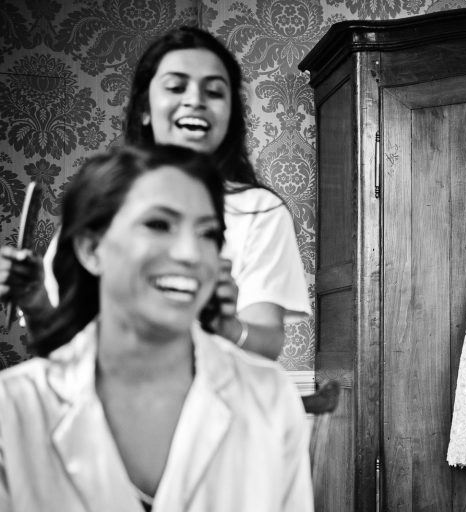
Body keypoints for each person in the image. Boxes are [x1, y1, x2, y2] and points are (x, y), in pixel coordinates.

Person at [0, 145, 313, 511]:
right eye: (158, 224)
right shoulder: (12, 409)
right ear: (91, 249)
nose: (190, 254)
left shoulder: (271, 399)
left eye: (208, 234)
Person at [0, 26, 310, 360]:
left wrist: (224, 324)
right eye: (177, 86)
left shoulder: (259, 210)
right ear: (145, 108)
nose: (195, 100)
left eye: (215, 92)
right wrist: (35, 302)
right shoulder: (100, 200)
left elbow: (266, 347)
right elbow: (59, 341)